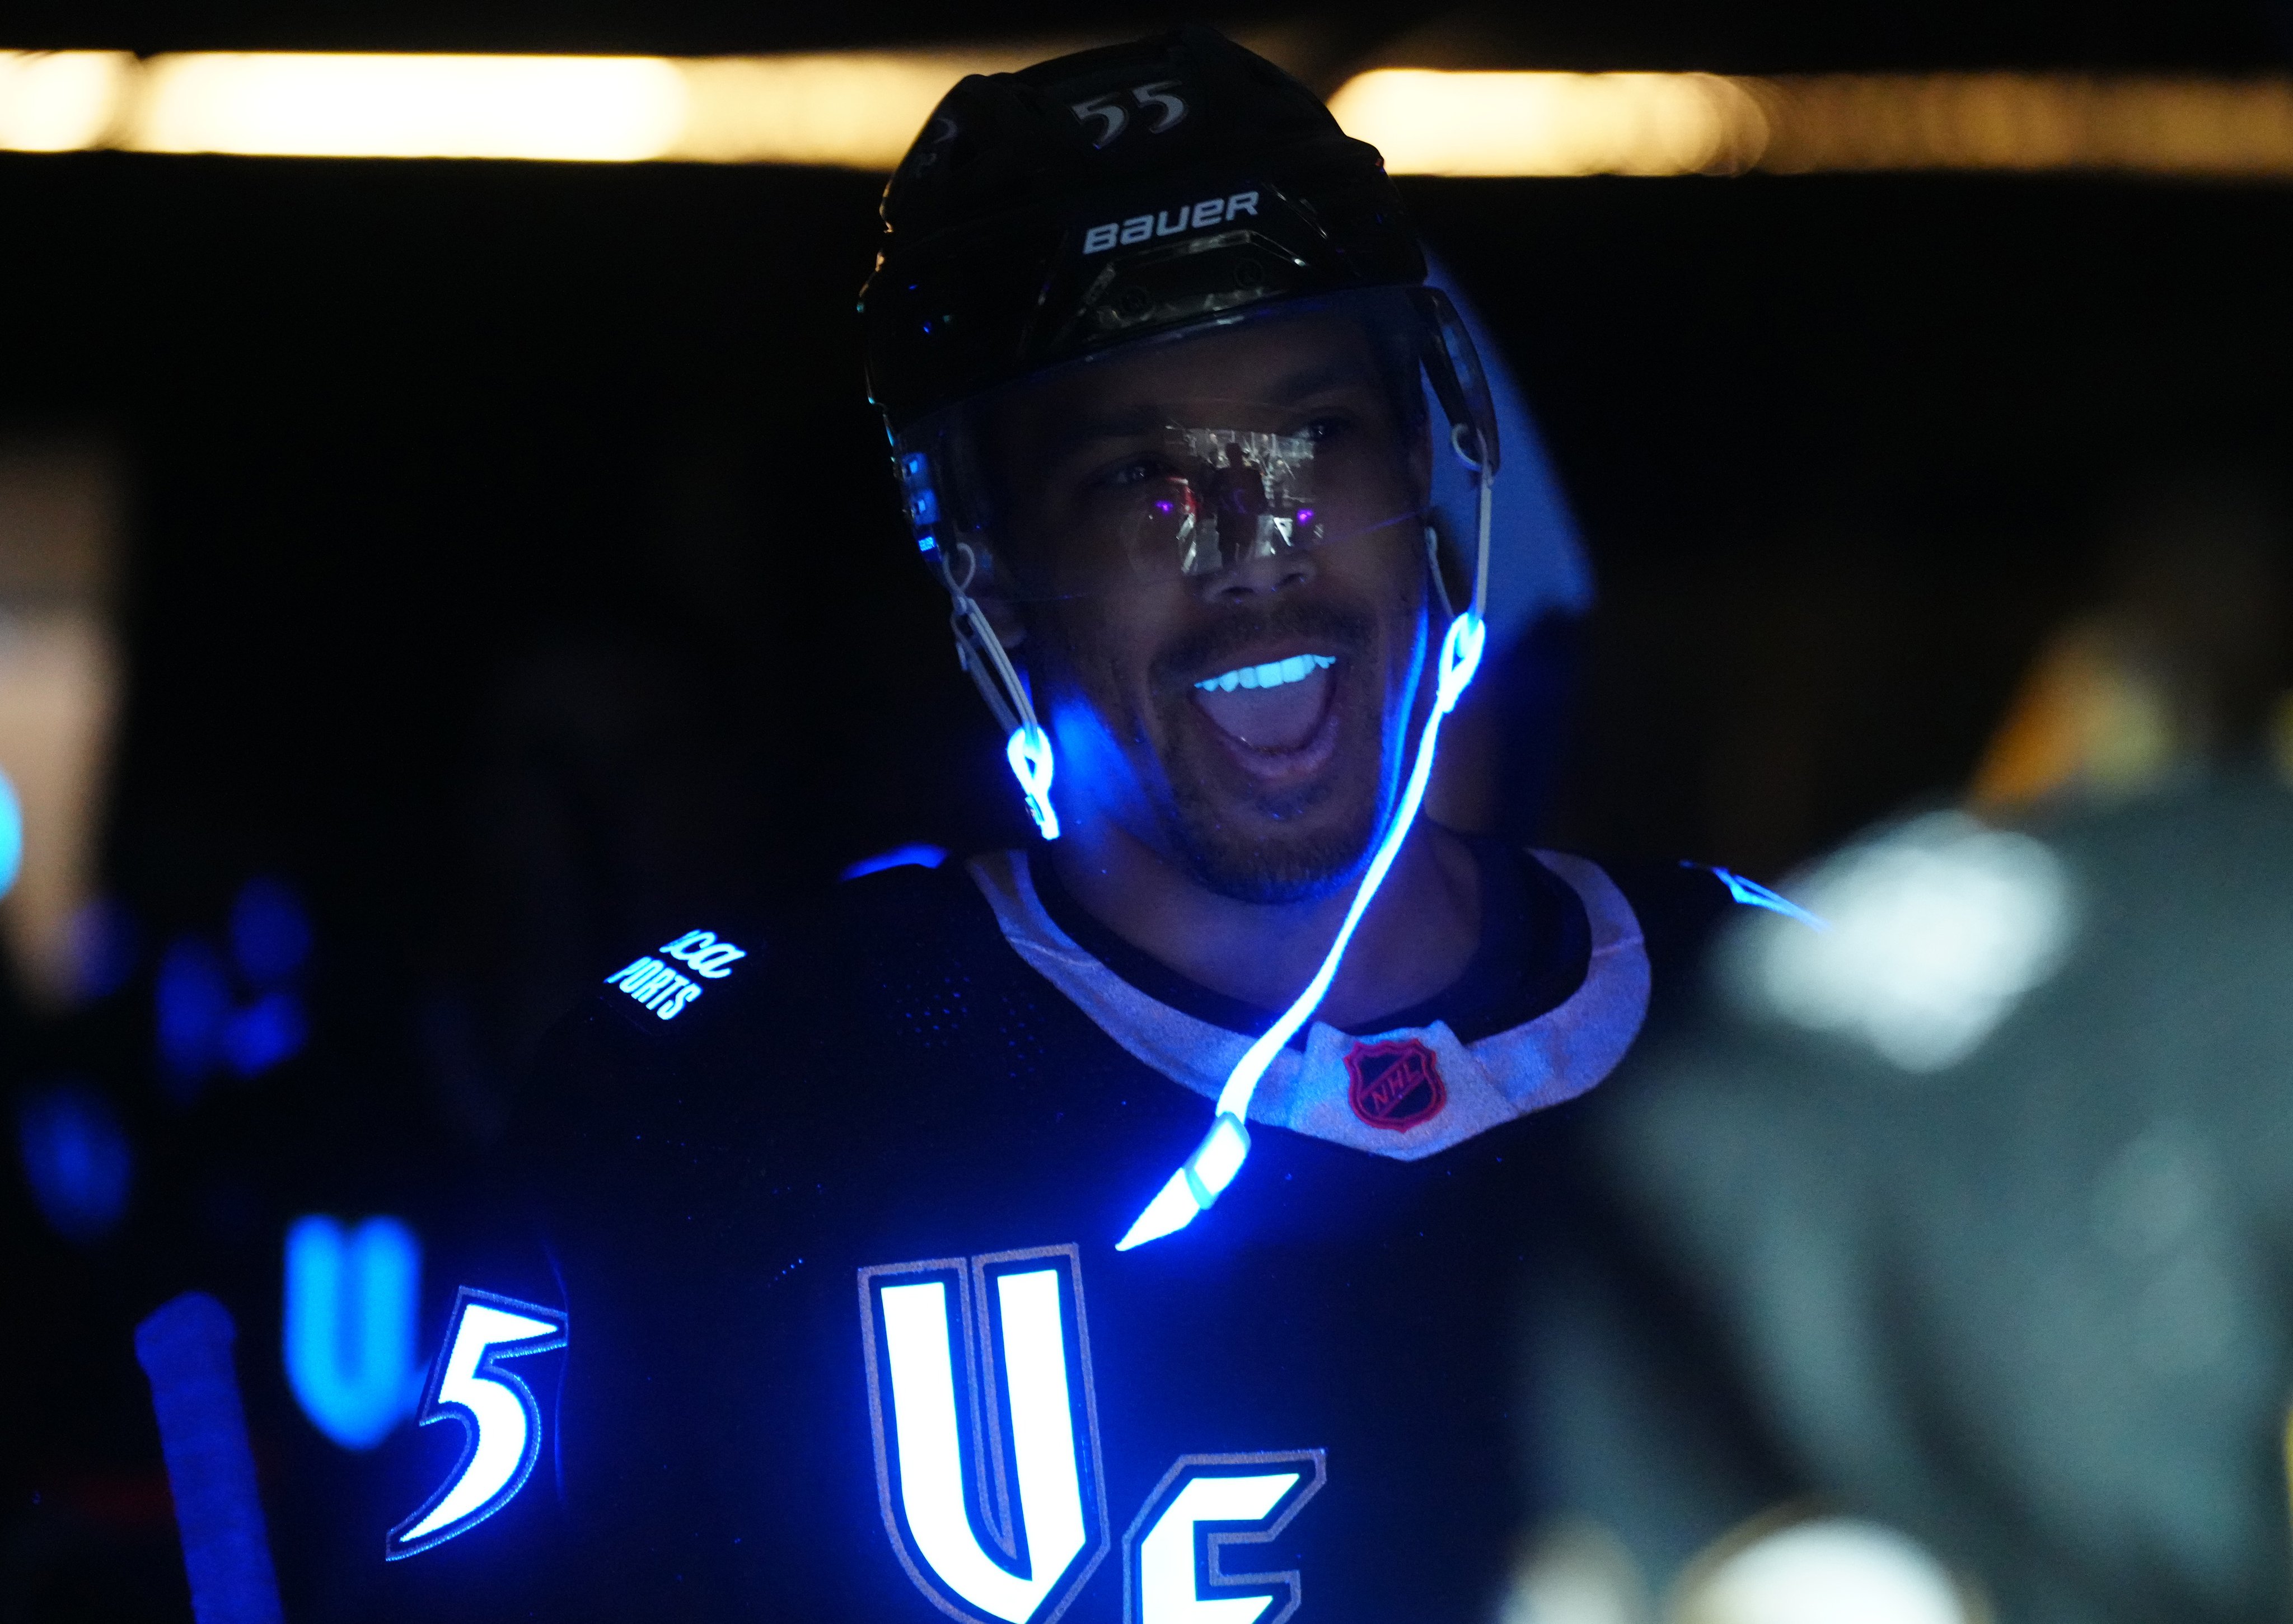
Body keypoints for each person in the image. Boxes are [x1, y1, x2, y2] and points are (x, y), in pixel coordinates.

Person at [373, 29, 1753, 1623]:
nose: (1252, 545)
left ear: (1434, 457)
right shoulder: (722, 1101)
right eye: (1139, 481)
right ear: (986, 558)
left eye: (1310, 438)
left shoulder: (1788, 1028)